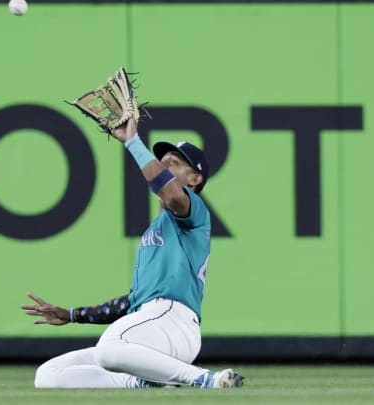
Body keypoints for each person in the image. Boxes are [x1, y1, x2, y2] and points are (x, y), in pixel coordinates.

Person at [21, 119, 244, 389]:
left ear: (195, 179)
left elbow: (172, 195)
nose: (163, 164)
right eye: (162, 160)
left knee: (108, 348)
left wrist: (132, 142)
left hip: (174, 321)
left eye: (174, 162)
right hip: (148, 326)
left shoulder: (193, 212)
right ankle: (143, 382)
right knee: (49, 375)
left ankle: (203, 378)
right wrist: (70, 314)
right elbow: (132, 302)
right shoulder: (155, 231)